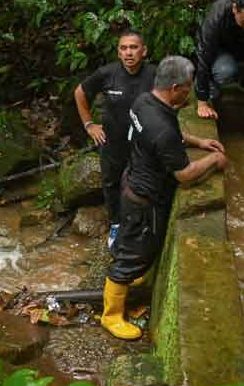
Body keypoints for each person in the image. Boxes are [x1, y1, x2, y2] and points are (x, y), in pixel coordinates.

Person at [102, 56, 228, 340]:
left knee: (137, 247)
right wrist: (213, 159)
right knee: (129, 256)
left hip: (131, 182)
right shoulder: (161, 128)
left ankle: (131, 280)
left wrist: (197, 142)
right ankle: (110, 315)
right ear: (175, 88)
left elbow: (169, 136)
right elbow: (184, 174)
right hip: (143, 199)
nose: (190, 92)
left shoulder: (146, 101)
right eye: (187, 88)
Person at [74, 30, 156, 250]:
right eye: (123, 48)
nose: (128, 53)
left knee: (140, 185)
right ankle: (116, 224)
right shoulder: (107, 73)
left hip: (142, 144)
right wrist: (89, 125)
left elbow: (174, 98)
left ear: (144, 51)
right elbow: (80, 93)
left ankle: (141, 226)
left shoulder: (154, 75)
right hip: (112, 142)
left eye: (133, 47)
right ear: (119, 53)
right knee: (111, 184)